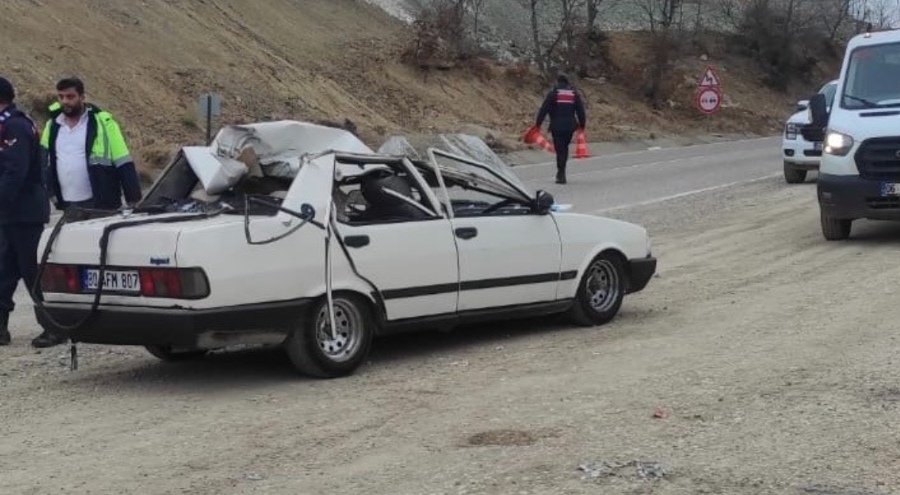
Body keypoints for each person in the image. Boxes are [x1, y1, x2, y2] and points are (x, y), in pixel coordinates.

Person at [0, 77, 51, 347]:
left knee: (31, 270)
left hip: (25, 212)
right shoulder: (6, 124)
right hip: (10, 213)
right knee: (3, 271)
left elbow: (15, 172)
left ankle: (53, 326)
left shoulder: (15, 126)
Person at [41, 77, 142, 213]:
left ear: (82, 97)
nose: (65, 101)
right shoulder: (52, 126)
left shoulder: (104, 123)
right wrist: (50, 192)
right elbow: (43, 161)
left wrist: (133, 198)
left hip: (101, 203)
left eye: (70, 97)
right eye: (61, 97)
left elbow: (123, 162)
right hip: (68, 204)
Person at [535, 73, 587, 184]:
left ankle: (561, 173)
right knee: (564, 148)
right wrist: (582, 125)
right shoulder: (574, 94)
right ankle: (561, 171)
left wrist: (538, 124)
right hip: (570, 127)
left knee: (560, 150)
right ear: (567, 83)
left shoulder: (553, 94)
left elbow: (543, 109)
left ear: (557, 83)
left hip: (556, 126)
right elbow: (581, 111)